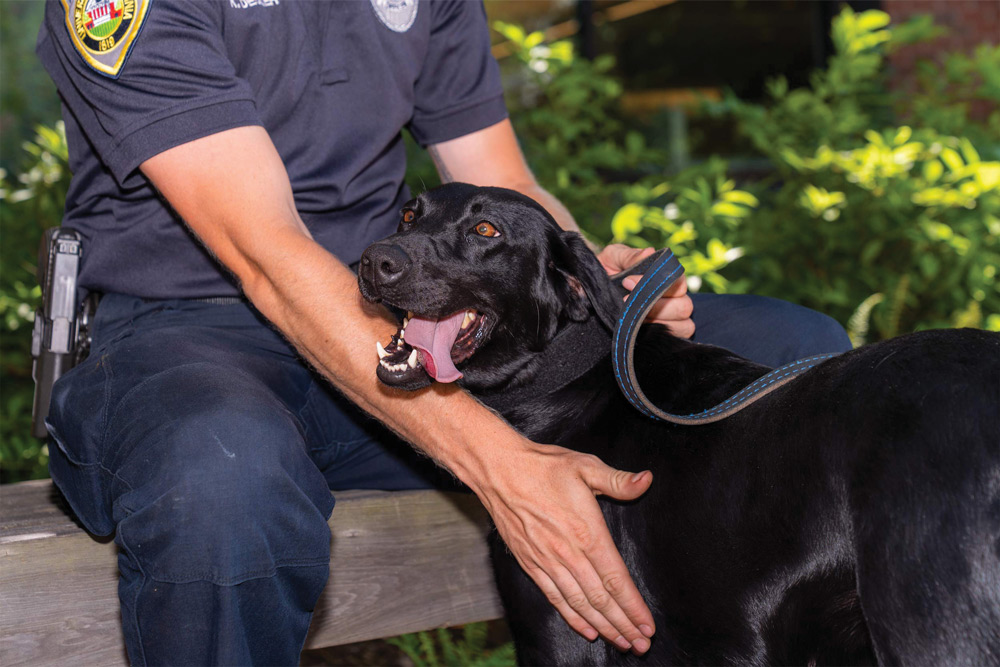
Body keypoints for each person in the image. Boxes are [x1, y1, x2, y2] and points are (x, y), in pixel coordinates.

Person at [37, 1, 852, 664]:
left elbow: (500, 184)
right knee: (220, 478)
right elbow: (268, 255)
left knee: (791, 355)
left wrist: (604, 292)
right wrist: (505, 466)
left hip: (416, 316)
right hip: (190, 333)